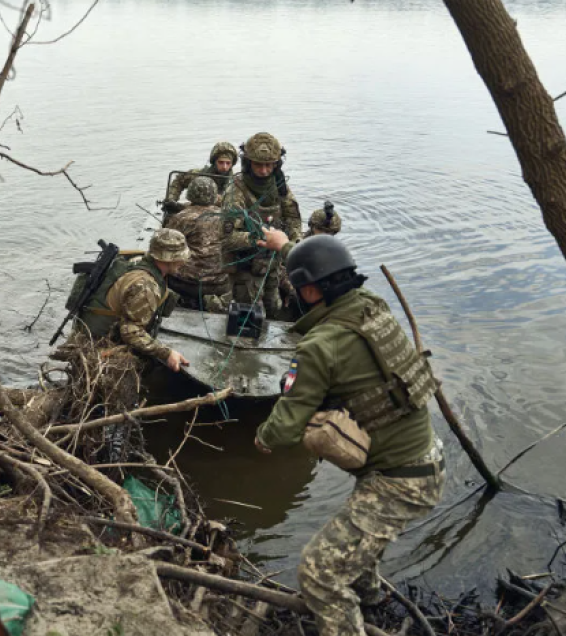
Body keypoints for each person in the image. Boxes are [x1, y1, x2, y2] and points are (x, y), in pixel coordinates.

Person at [253, 229, 446, 636]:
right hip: (427, 460)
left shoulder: (321, 345)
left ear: (309, 292)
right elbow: (325, 264)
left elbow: (286, 425)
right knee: (359, 544)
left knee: (319, 574)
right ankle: (371, 601)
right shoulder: (372, 307)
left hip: (399, 483)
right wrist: (285, 246)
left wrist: (262, 438)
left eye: (298, 286)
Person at [74, 229, 191, 373]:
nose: (183, 262)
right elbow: (130, 331)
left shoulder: (137, 260)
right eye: (180, 258)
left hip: (84, 336)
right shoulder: (146, 286)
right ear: (169, 258)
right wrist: (167, 353)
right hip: (99, 349)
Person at [221, 132, 302, 317]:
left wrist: (295, 243)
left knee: (274, 309)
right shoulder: (236, 190)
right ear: (249, 163)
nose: (264, 171)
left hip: (272, 264)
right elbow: (227, 238)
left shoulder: (280, 185)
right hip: (245, 268)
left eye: (269, 165)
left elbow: (293, 218)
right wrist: (261, 237)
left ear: (277, 164)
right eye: (259, 165)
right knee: (250, 317)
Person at [163, 176, 232, 313]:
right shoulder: (226, 217)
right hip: (221, 284)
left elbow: (165, 246)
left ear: (190, 194)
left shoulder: (182, 218)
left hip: (187, 284)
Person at [164, 141, 238, 209]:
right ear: (214, 162)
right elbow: (180, 179)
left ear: (232, 164)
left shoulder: (236, 182)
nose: (224, 167)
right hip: (196, 209)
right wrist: (172, 198)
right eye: (221, 162)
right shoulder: (200, 175)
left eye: (228, 163)